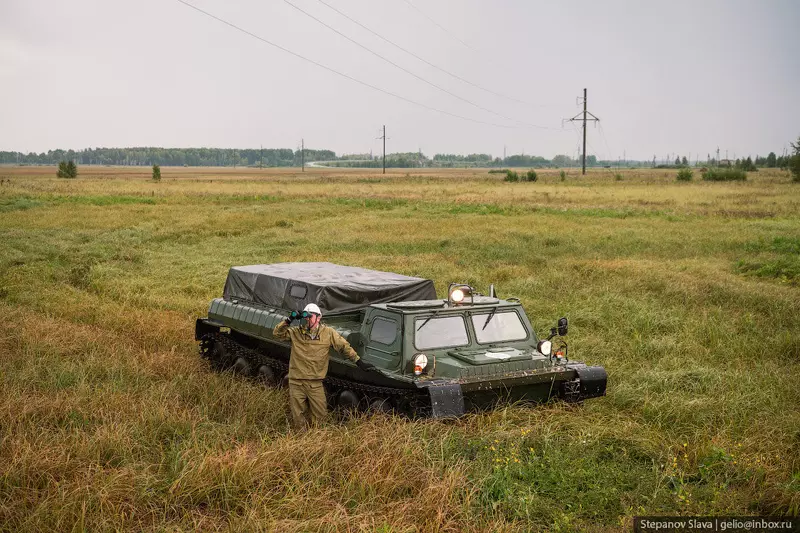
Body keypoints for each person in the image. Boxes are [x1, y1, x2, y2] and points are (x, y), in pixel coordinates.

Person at [273, 303, 376, 430]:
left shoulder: (328, 333)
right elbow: (277, 333)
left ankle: (318, 438)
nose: (307, 319)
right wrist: (289, 319)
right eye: (305, 317)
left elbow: (344, 347)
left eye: (310, 316)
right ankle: (302, 439)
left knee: (321, 416)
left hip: (315, 383)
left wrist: (359, 362)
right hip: (296, 382)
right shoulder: (296, 332)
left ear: (319, 317)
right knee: (298, 417)